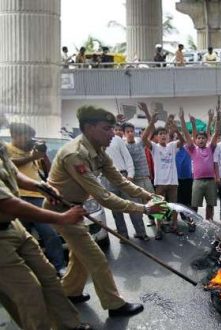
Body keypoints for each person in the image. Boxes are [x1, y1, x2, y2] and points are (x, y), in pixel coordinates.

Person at [44, 106, 166, 317]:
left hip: (76, 208)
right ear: (89, 128)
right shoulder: (75, 154)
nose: (112, 133)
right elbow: (104, 197)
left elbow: (120, 180)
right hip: (62, 210)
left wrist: (148, 196)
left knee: (80, 256)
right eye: (107, 128)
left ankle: (69, 291)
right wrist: (144, 209)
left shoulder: (99, 151)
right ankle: (114, 305)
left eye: (112, 128)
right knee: (97, 258)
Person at [0, 114, 92, 330]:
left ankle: (70, 325)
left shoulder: (1, 148)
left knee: (49, 277)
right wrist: (61, 217)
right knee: (28, 292)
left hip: (14, 228)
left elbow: (13, 175)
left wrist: (41, 186)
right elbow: (7, 204)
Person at [6, 123, 67, 276]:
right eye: (26, 136)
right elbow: (9, 165)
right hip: (16, 198)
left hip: (37, 197)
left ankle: (59, 267)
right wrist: (31, 156)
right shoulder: (6, 149)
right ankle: (26, 271)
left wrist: (43, 155)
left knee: (50, 234)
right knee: (21, 238)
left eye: (30, 137)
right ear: (15, 135)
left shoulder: (32, 152)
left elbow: (48, 170)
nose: (29, 140)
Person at [140, 103, 185, 239]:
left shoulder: (172, 146)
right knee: (159, 207)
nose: (163, 135)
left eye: (165, 133)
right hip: (159, 183)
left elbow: (182, 142)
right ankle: (159, 230)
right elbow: (143, 139)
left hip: (173, 183)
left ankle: (175, 226)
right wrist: (151, 123)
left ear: (168, 136)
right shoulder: (154, 147)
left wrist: (176, 129)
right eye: (160, 134)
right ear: (157, 137)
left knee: (174, 207)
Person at [102, 123, 150, 242]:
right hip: (107, 179)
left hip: (123, 177)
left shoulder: (117, 140)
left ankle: (141, 233)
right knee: (116, 209)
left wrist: (130, 176)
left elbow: (127, 158)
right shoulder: (96, 144)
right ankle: (123, 235)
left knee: (133, 206)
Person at [179, 107, 221, 222]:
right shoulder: (193, 149)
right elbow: (186, 135)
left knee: (210, 205)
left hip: (211, 181)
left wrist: (218, 118)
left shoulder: (210, 148)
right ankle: (192, 222)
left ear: (206, 139)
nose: (201, 140)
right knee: (194, 205)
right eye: (198, 138)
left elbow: (216, 132)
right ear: (195, 140)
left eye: (203, 138)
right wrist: (182, 119)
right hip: (197, 181)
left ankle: (209, 223)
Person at [122, 122, 156, 235]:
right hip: (133, 181)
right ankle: (141, 233)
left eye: (132, 131)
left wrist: (152, 120)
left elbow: (147, 132)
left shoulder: (140, 142)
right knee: (137, 208)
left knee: (154, 202)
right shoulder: (123, 146)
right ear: (124, 134)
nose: (130, 134)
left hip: (145, 178)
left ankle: (160, 224)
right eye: (128, 132)